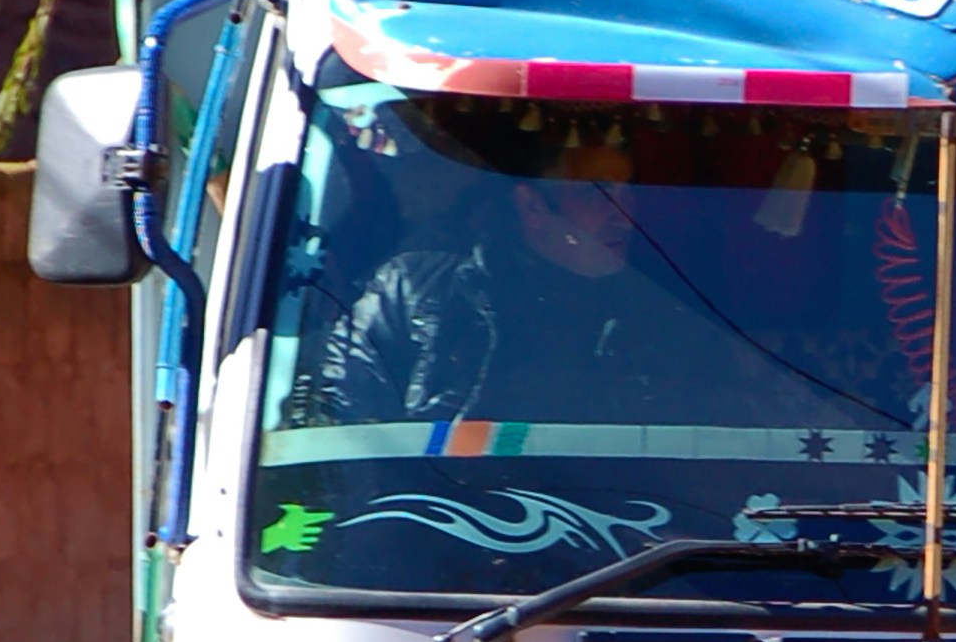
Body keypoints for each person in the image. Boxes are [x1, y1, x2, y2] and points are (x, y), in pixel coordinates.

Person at [311, 123, 748, 429]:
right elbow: (335, 423)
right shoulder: (412, 289)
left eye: (628, 191)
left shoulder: (666, 316)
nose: (623, 215)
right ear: (532, 207)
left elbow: (714, 447)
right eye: (594, 193)